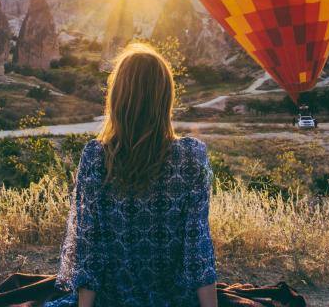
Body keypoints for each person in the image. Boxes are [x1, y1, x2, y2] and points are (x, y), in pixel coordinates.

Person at [53, 43, 219, 307]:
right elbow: (198, 246)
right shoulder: (191, 155)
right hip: (173, 299)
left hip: (112, 300)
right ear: (165, 98)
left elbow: (89, 246)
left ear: (117, 97)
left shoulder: (96, 156)